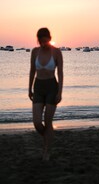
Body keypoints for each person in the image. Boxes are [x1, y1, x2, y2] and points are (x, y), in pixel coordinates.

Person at [28, 27, 63, 161]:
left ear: (49, 38)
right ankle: (48, 138)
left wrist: (60, 92)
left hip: (51, 87)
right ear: (38, 41)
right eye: (41, 41)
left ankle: (47, 150)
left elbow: (60, 73)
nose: (43, 44)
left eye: (45, 41)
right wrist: (29, 89)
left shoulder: (57, 52)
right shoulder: (35, 52)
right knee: (37, 122)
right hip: (38, 87)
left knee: (48, 122)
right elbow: (32, 71)